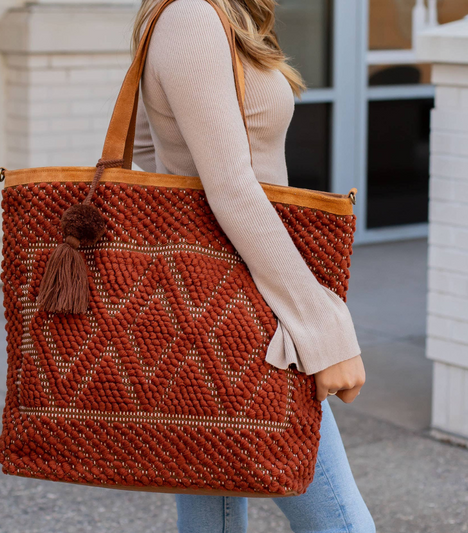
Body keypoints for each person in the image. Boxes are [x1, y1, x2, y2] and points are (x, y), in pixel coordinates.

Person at [131, 0, 376, 531]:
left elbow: (153, 154)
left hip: (220, 306)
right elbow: (231, 187)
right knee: (341, 524)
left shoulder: (203, 14)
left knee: (213, 520)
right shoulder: (193, 16)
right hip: (250, 312)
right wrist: (321, 324)